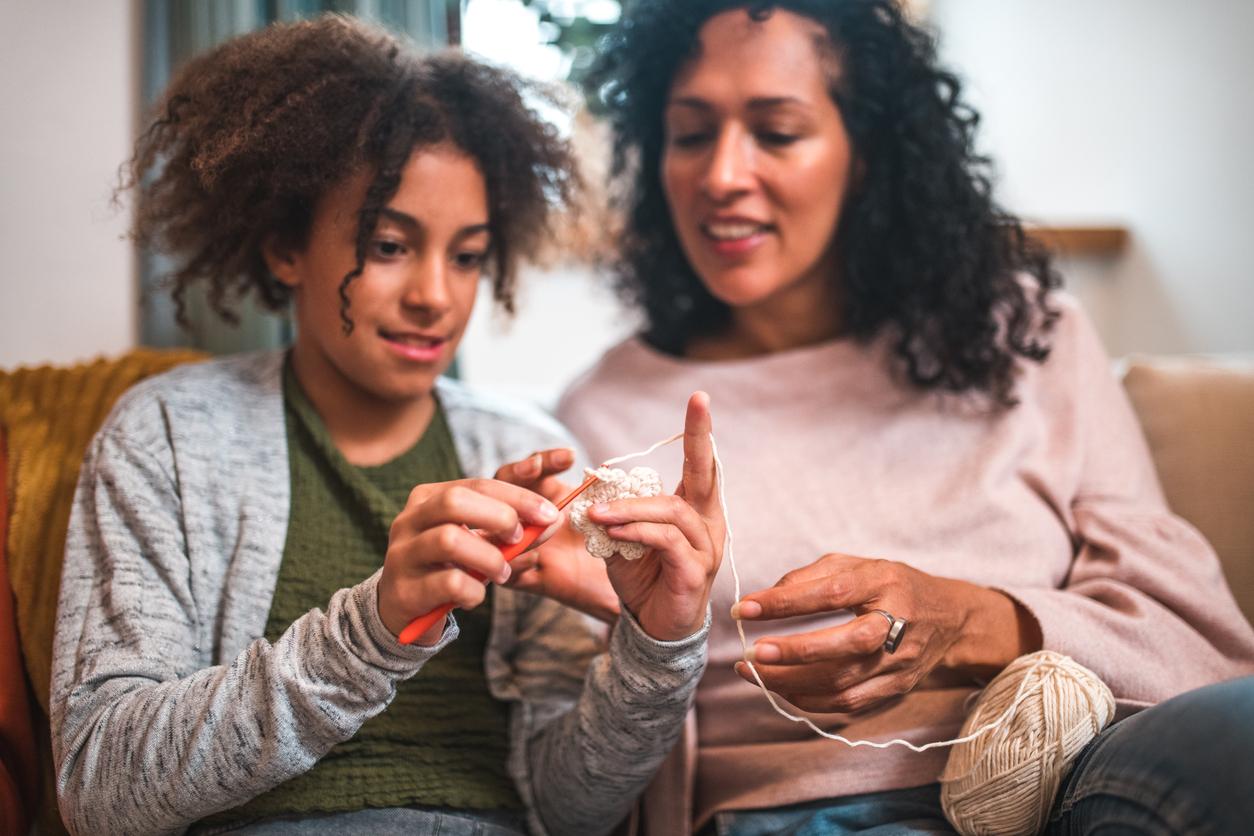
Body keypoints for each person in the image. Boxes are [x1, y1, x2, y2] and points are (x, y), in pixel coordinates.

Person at [554, 1, 1254, 833]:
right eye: (691, 133)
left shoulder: (1028, 337)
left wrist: (970, 620)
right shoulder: (604, 414)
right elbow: (574, 761)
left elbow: (1204, 641)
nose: (721, 176)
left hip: (1090, 785)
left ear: (867, 157)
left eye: (777, 132)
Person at [50, 16, 725, 836]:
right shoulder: (171, 436)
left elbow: (568, 807)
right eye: (389, 244)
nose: (436, 297)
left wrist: (657, 647)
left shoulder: (519, 451)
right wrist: (372, 630)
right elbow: (97, 786)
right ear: (285, 245)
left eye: (468, 255)